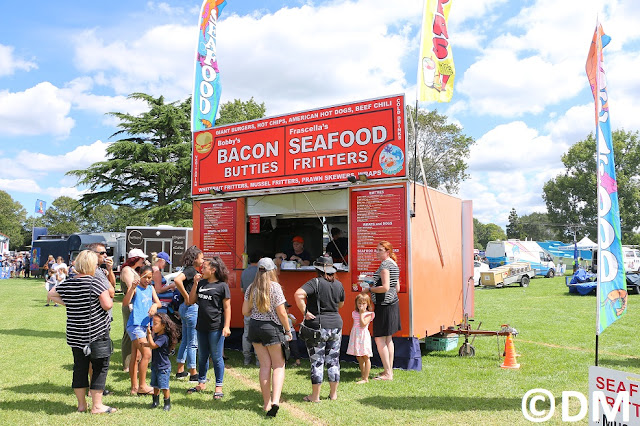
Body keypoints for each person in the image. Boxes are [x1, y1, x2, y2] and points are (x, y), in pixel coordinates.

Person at [47, 250, 116, 414]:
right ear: (92, 265)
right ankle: (97, 406)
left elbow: (51, 294)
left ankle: (81, 405)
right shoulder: (95, 282)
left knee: (80, 367)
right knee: (100, 367)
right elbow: (108, 305)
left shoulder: (69, 283)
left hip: (75, 333)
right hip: (96, 332)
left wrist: (71, 304)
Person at [242, 258, 292, 417]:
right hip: (272, 328)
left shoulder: (251, 287)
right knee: (278, 366)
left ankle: (266, 404)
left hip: (255, 327)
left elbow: (244, 311)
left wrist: (255, 313)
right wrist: (288, 329)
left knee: (264, 366)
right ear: (272, 271)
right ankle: (275, 402)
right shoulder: (275, 287)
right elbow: (282, 312)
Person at [294, 256, 345, 402]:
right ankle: (333, 394)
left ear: (318, 269)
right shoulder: (339, 285)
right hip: (336, 325)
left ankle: (315, 396)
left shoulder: (315, 282)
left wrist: (304, 311)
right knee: (334, 361)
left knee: (317, 361)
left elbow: (298, 294)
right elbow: (340, 304)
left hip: (318, 326)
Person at [186, 256, 231, 399]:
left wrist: (227, 326)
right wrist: (195, 283)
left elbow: (227, 308)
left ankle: (218, 386)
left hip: (215, 327)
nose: (201, 269)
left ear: (213, 270)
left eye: (204, 267)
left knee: (217, 357)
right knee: (203, 356)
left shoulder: (222, 286)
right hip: (201, 326)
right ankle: (201, 382)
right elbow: (191, 301)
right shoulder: (201, 283)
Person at [364, 240, 401, 381]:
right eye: (377, 249)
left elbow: (385, 287)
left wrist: (369, 289)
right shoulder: (394, 264)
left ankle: (387, 373)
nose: (377, 252)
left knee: (380, 340)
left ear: (387, 251)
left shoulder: (385, 266)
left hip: (384, 305)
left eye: (380, 250)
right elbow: (396, 288)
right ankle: (388, 371)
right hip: (392, 304)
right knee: (388, 339)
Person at [122, 264, 161, 395]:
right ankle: (142, 386)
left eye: (150, 277)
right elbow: (125, 303)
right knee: (147, 354)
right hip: (135, 325)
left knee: (136, 356)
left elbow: (158, 302)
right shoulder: (136, 288)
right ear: (140, 275)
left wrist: (155, 305)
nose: (148, 280)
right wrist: (131, 288)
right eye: (146, 277)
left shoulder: (151, 288)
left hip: (146, 326)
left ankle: (134, 387)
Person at [173, 245, 204, 381]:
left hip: (184, 309)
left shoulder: (187, 269)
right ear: (194, 259)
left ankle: (180, 370)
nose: (203, 261)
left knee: (185, 340)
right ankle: (193, 373)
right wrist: (187, 297)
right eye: (201, 258)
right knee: (193, 342)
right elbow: (177, 280)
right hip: (191, 308)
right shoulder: (191, 270)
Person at [120, 249, 148, 373]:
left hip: (137, 304)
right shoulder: (127, 270)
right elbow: (133, 288)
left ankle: (136, 361)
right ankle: (127, 364)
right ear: (135, 258)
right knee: (128, 333)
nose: (144, 260)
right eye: (142, 258)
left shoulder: (134, 270)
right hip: (130, 305)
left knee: (139, 332)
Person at [143, 313, 179, 411]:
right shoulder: (158, 335)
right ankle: (155, 401)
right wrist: (144, 344)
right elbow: (151, 344)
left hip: (163, 367)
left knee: (164, 386)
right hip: (155, 365)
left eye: (155, 324)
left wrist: (149, 335)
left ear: (163, 325)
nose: (153, 326)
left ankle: (167, 403)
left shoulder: (163, 337)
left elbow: (154, 345)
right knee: (155, 385)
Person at [346, 293, 375, 383]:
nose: (361, 306)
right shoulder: (354, 313)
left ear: (368, 304)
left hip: (363, 336)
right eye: (359, 303)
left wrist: (362, 314)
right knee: (359, 356)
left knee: (366, 356)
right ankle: (363, 375)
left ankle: (366, 378)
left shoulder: (369, 314)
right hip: (356, 335)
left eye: (364, 304)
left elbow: (363, 324)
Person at [241, 251, 260, 365]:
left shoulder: (244, 272)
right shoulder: (261, 272)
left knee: (246, 333)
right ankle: (258, 359)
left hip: (247, 305)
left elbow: (242, 290)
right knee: (258, 333)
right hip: (259, 305)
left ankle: (246, 358)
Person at [285, 302, 301, 366]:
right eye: (285, 308)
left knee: (294, 346)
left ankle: (298, 361)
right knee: (285, 347)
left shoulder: (290, 315)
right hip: (283, 332)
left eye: (287, 309)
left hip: (292, 331)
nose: (287, 310)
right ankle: (285, 361)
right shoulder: (279, 315)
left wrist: (289, 316)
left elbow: (295, 322)